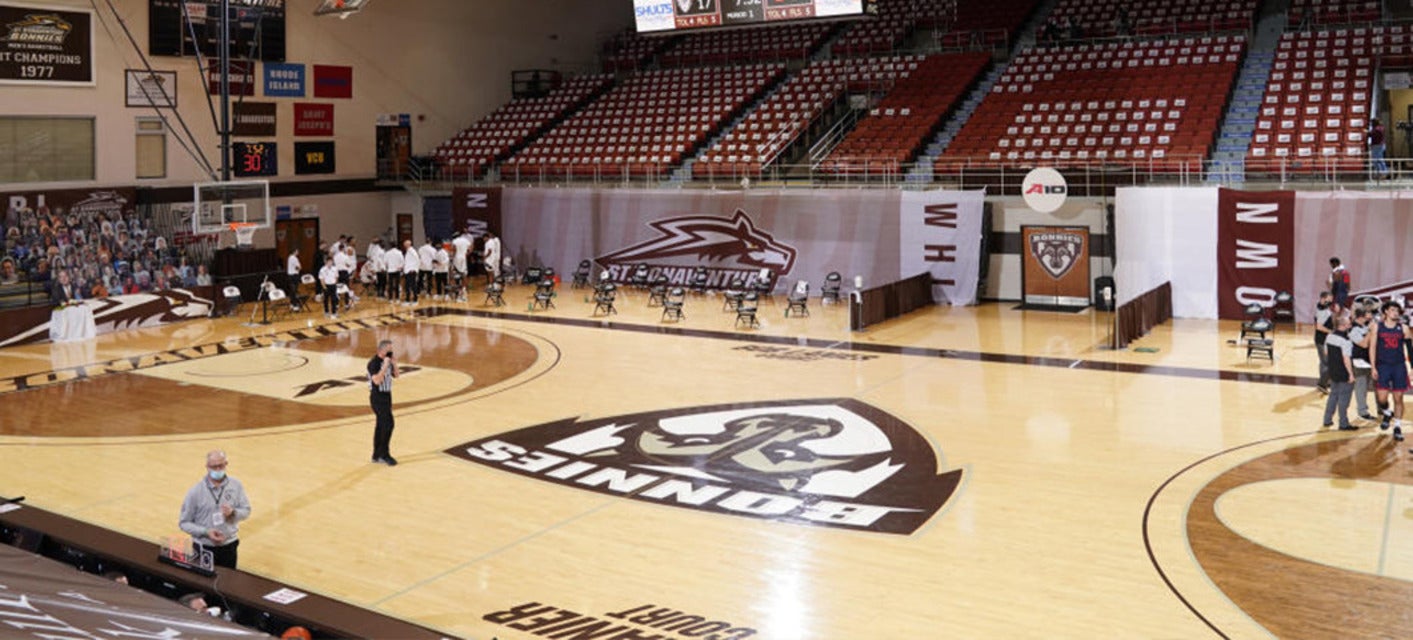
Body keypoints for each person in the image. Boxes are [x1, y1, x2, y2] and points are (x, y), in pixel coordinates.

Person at [177, 450, 251, 570]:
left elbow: (246, 510)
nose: (217, 470)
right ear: (207, 467)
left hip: (229, 547)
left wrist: (233, 512)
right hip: (203, 548)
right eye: (213, 466)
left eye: (220, 466)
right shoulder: (195, 491)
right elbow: (184, 523)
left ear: (226, 464)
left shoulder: (236, 486)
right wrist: (206, 532)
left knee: (227, 583)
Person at [1373, 301, 1413, 441]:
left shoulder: (1404, 328)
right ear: (1385, 312)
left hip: (1399, 366)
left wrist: (1412, 368)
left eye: (1397, 310)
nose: (1395, 313)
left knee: (1398, 398)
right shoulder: (1377, 327)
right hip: (1383, 366)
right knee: (1381, 398)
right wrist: (1373, 366)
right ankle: (1387, 412)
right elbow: (1372, 348)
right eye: (1392, 310)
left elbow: (1410, 350)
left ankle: (1397, 426)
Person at [367, 340, 399, 465]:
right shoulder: (373, 363)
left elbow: (396, 375)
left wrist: (394, 364)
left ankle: (376, 454)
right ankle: (384, 454)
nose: (391, 352)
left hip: (387, 396)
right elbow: (376, 381)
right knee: (388, 424)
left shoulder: (388, 360)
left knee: (380, 426)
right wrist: (385, 366)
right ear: (381, 350)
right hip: (377, 397)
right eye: (389, 350)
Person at [1323, 315, 1357, 430]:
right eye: (1348, 322)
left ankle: (1327, 420)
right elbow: (1346, 358)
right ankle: (1343, 423)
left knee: (1333, 395)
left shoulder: (1329, 336)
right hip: (1343, 372)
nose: (1350, 324)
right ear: (1343, 325)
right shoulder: (1346, 340)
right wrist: (1351, 374)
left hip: (1333, 370)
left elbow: (1326, 352)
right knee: (1344, 398)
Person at [1350, 307, 1376, 420]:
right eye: (1368, 315)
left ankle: (1379, 409)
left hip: (1369, 361)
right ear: (1361, 317)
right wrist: (1371, 331)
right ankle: (1362, 412)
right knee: (1361, 388)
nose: (1370, 317)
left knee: (1371, 387)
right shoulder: (1353, 329)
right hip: (1359, 362)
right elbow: (1364, 344)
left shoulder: (1364, 326)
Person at [1314, 290, 1335, 394]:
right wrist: (1331, 331)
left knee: (1324, 362)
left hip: (1324, 339)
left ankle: (1324, 381)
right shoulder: (1322, 311)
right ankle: (1322, 383)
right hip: (1322, 340)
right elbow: (1319, 327)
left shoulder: (1321, 306)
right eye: (1329, 299)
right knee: (1326, 362)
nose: (1330, 301)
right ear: (1323, 299)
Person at [401, 239, 420, 306]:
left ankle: (415, 300)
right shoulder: (408, 251)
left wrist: (414, 269)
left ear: (408, 244)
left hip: (411, 271)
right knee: (407, 286)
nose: (404, 245)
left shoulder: (412, 251)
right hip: (408, 271)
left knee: (412, 286)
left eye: (405, 244)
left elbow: (417, 260)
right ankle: (408, 300)